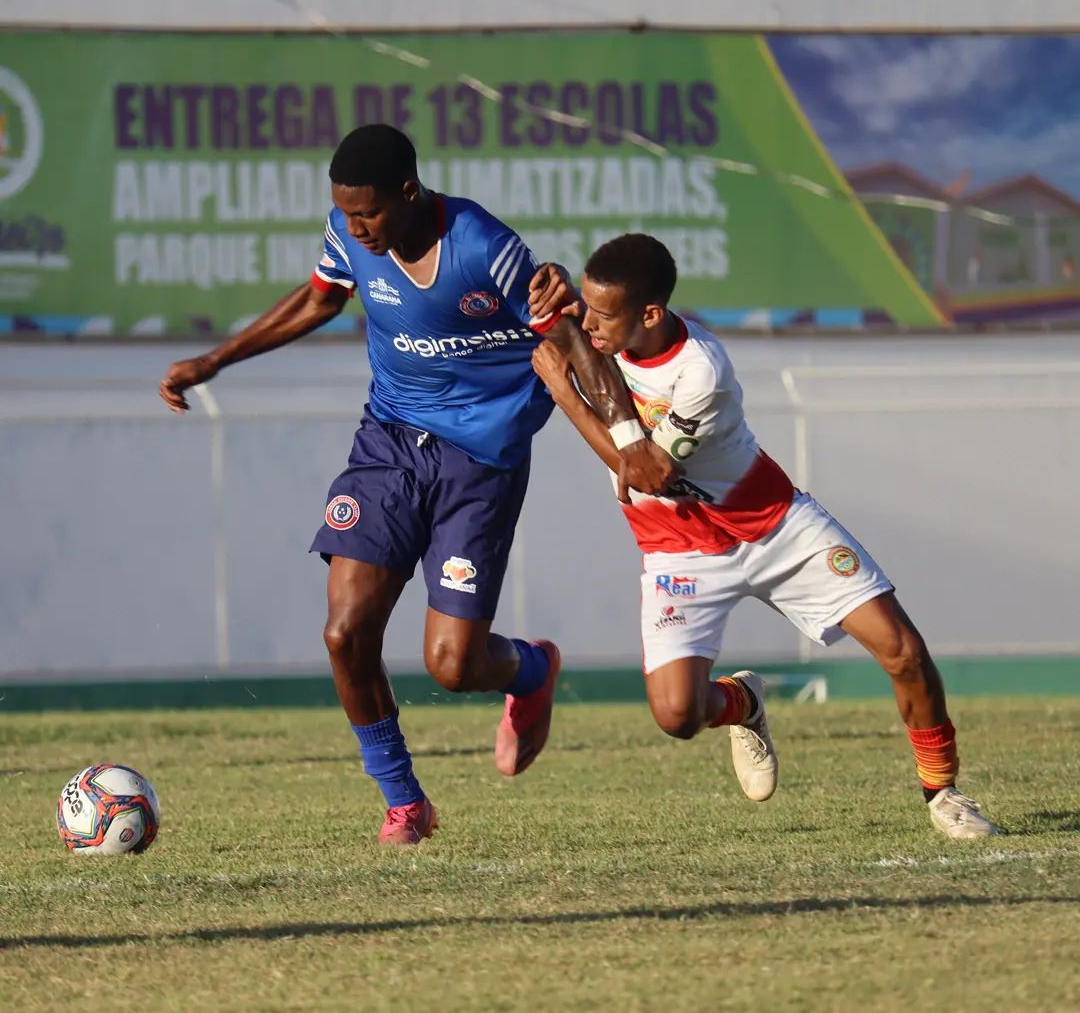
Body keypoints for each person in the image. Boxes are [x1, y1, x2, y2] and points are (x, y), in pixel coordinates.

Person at [159, 125, 674, 846]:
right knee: (344, 631)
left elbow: (569, 346)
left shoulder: (484, 247)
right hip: (390, 445)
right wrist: (213, 362)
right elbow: (318, 300)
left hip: (481, 463)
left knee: (453, 666)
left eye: (366, 212)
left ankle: (530, 669)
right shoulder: (350, 235)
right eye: (344, 212)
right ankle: (404, 801)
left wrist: (630, 442)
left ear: (409, 192)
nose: (355, 226)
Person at [529, 232, 998, 840]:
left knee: (903, 650)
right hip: (679, 548)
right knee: (677, 715)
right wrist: (550, 297)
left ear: (650, 313)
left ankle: (943, 793)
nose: (589, 322)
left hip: (773, 525)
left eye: (603, 312)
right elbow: (567, 332)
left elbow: (642, 471)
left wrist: (564, 390)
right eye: (586, 306)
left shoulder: (703, 371)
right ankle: (743, 703)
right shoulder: (599, 330)